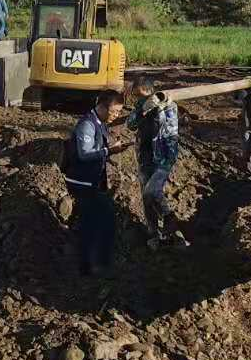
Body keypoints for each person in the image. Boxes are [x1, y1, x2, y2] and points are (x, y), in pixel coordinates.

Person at [64, 90, 122, 277]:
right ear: (103, 107)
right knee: (97, 220)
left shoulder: (100, 123)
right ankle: (87, 267)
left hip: (92, 181)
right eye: (114, 111)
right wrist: (108, 151)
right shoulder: (87, 125)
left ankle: (90, 264)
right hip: (81, 181)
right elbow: (84, 154)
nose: (116, 116)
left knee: (96, 220)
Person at [127, 78, 186, 250]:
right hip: (145, 156)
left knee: (152, 191)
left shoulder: (169, 106)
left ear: (149, 90)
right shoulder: (140, 106)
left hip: (164, 157)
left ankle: (170, 221)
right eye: (136, 96)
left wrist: (158, 107)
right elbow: (130, 124)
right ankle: (154, 233)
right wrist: (141, 111)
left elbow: (168, 130)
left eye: (139, 95)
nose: (137, 98)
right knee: (146, 198)